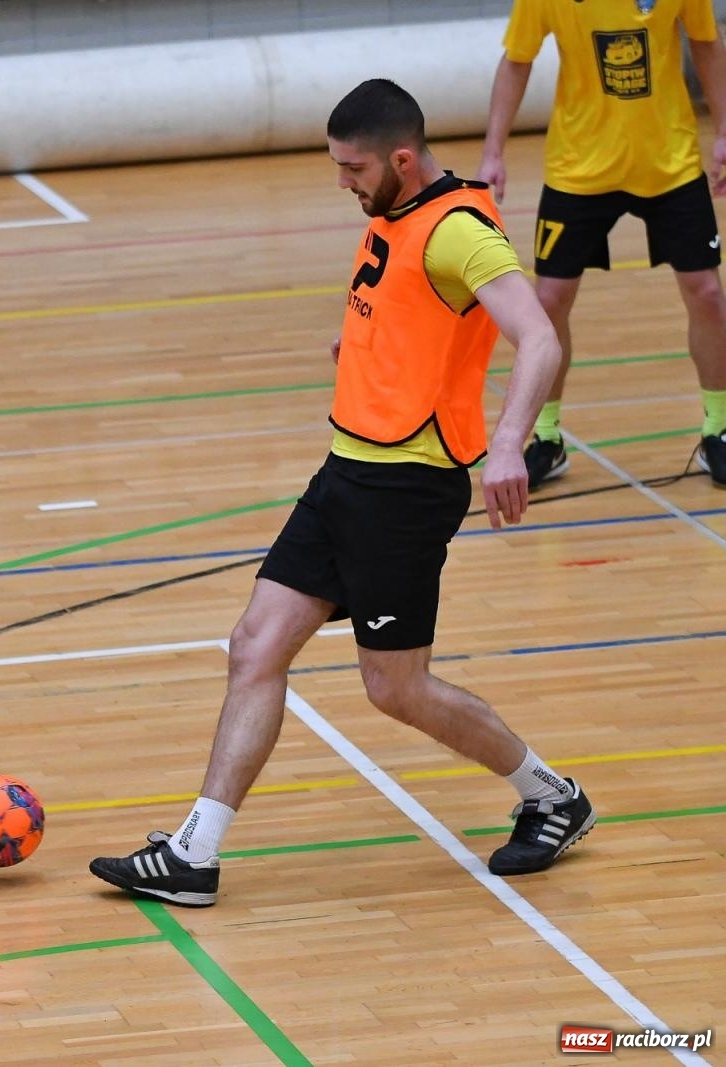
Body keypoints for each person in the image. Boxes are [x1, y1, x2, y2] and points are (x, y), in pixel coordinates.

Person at [90, 79, 596, 908]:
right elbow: (401, 308)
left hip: (407, 489)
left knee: (395, 687)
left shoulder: (460, 232)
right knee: (254, 645)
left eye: (352, 166)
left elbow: (538, 336)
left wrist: (510, 442)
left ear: (402, 158)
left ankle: (552, 795)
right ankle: (195, 852)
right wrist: (361, 342)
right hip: (347, 472)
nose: (342, 181)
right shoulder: (392, 211)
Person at [477, 0, 726, 489]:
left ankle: (718, 429)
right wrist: (493, 152)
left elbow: (706, 42)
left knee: (708, 294)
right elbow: (516, 60)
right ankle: (546, 437)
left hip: (668, 162)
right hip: (580, 167)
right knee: (548, 302)